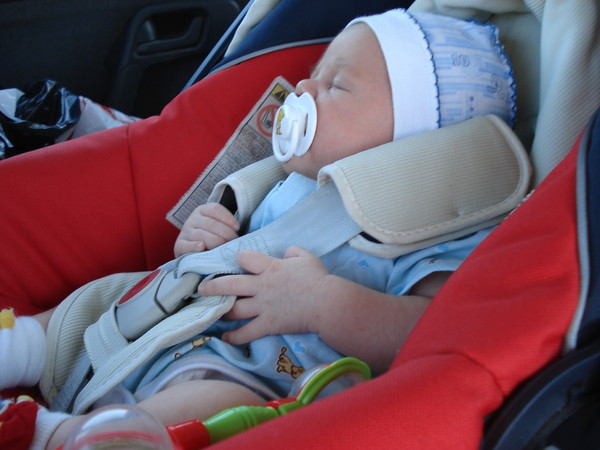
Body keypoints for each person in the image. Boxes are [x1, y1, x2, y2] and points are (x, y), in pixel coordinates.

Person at [0, 9, 516, 449]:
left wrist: (323, 303)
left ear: (418, 143)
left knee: (219, 400)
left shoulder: (435, 228)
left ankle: (63, 435)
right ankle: (20, 347)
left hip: (255, 368)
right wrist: (206, 238)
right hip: (178, 318)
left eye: (335, 85)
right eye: (313, 75)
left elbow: (428, 335)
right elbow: (235, 248)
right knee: (100, 298)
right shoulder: (294, 178)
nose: (304, 89)